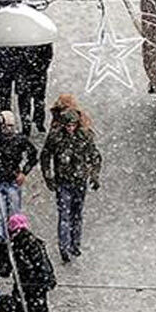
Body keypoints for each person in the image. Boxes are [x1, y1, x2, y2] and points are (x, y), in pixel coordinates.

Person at [40, 107, 103, 263]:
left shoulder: (84, 136)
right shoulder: (55, 137)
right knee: (64, 214)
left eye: (73, 125)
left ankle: (75, 244)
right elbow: (45, 156)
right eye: (68, 125)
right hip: (63, 182)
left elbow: (95, 156)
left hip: (79, 181)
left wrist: (94, 176)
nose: (70, 128)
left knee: (77, 214)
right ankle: (64, 247)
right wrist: (48, 177)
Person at [0, 111, 40, 239]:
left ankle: (15, 241)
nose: (9, 129)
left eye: (11, 126)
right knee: (1, 217)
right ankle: (1, 243)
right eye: (6, 126)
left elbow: (33, 156)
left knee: (14, 216)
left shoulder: (19, 140)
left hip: (13, 181)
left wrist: (24, 172)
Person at [6, 213, 57, 312]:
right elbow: (44, 264)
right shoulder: (36, 242)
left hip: (26, 288)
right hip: (37, 289)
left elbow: (11, 268)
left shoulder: (16, 245)